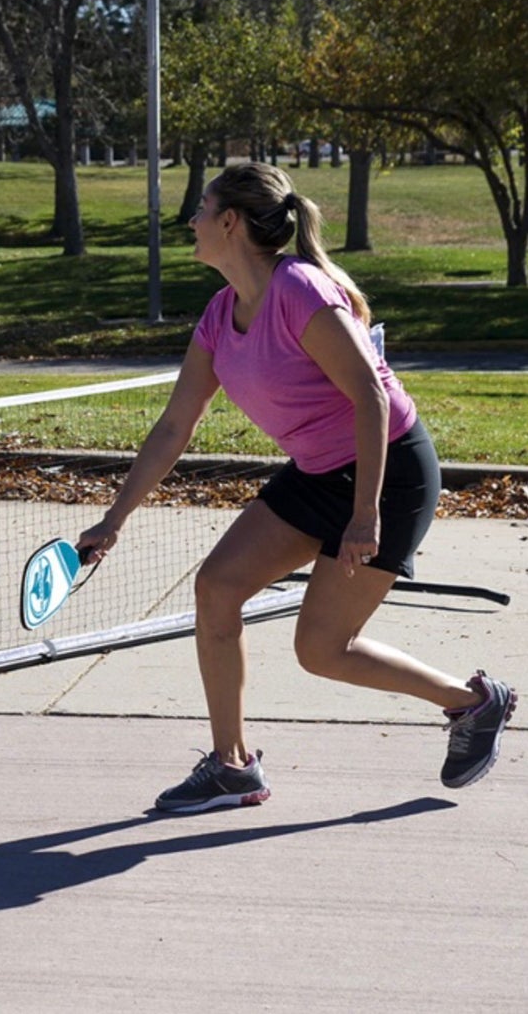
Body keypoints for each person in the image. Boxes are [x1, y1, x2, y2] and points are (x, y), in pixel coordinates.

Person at [77, 162, 515, 814]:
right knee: (217, 586)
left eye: (200, 207)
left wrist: (363, 514)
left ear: (229, 222)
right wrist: (113, 518)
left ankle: (472, 701)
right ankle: (231, 767)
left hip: (388, 471)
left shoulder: (300, 291)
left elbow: (368, 395)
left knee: (320, 649)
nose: (191, 221)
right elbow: (173, 425)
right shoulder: (219, 314)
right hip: (316, 471)